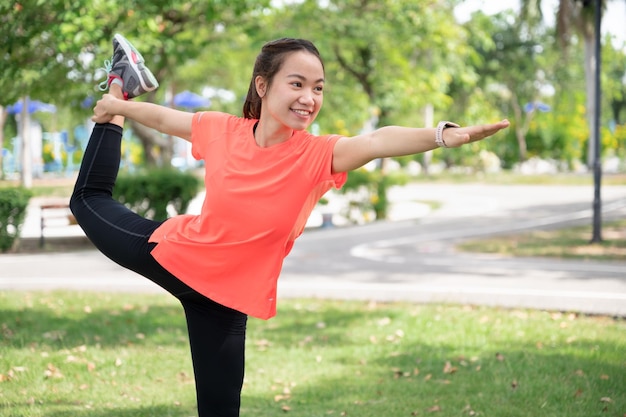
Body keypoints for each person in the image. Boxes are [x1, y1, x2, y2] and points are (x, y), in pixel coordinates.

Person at [70, 34, 510, 417]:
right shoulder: (224, 131)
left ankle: (118, 87)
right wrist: (115, 106)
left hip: (225, 303)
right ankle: (118, 85)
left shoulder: (318, 155)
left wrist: (440, 135)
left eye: (317, 88)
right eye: (296, 84)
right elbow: (166, 120)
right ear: (263, 86)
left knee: (221, 411)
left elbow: (377, 141)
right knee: (88, 200)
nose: (309, 98)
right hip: (175, 256)